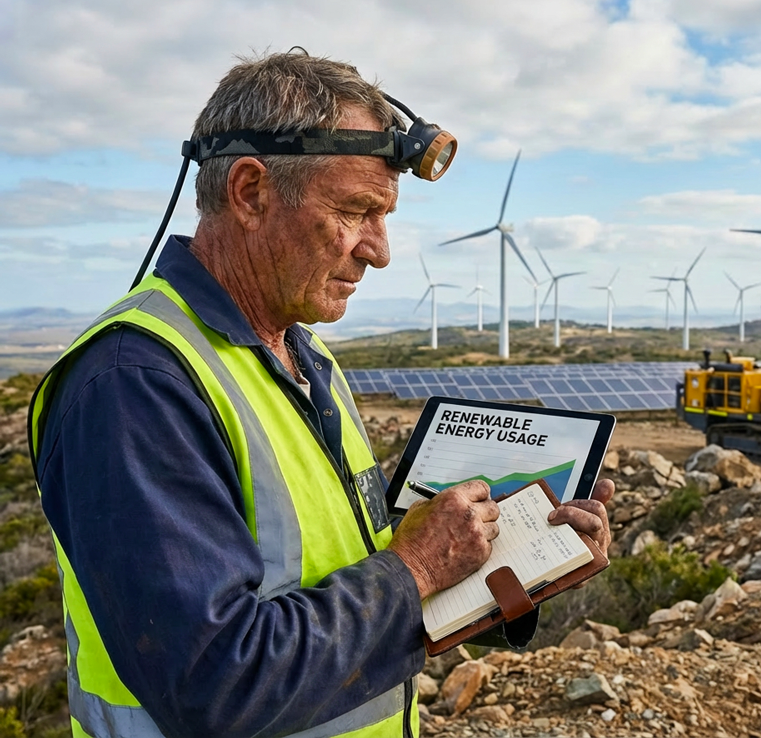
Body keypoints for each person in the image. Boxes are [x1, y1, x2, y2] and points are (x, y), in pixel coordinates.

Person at [29, 51, 614, 738]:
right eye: (357, 210)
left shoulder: (309, 358)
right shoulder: (135, 384)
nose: (380, 250)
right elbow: (217, 682)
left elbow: (350, 593)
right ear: (251, 192)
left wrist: (520, 565)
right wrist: (416, 565)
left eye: (384, 215)